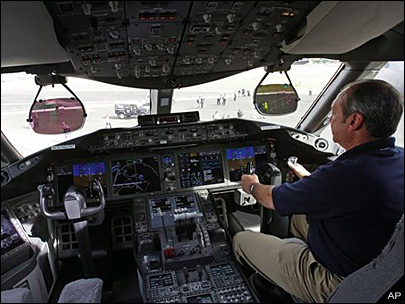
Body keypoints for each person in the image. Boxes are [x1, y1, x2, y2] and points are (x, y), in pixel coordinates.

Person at [234, 79, 404, 303]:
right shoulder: (397, 158)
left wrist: (252, 185)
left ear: (354, 121)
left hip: (345, 286)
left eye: (333, 114)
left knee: (240, 240)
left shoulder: (345, 175)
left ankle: (267, 291)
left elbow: (271, 199)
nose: (330, 120)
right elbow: (348, 194)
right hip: (384, 273)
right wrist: (310, 179)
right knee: (297, 218)